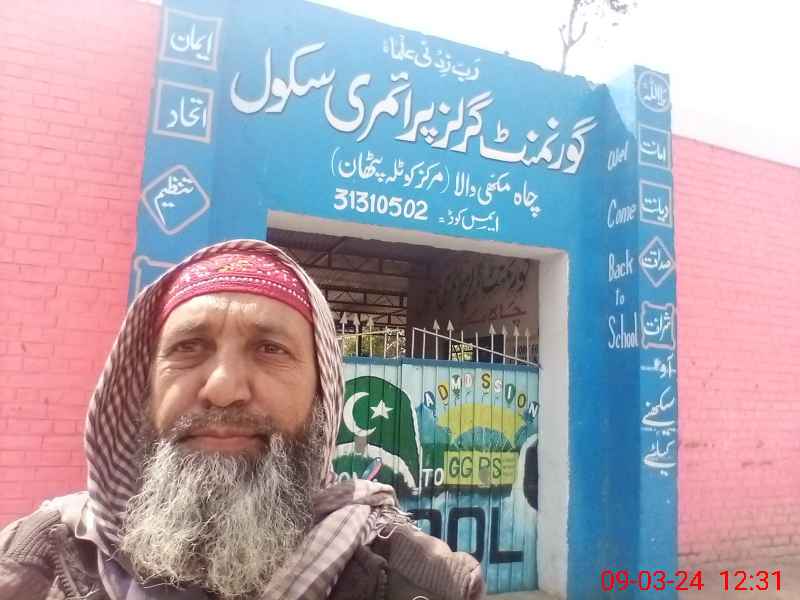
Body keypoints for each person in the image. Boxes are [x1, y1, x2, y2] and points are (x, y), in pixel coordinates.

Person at [0, 240, 485, 600]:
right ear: (144, 390)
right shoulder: (29, 564)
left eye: (270, 349)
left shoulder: (423, 582)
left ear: (322, 396)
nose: (223, 388)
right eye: (189, 347)